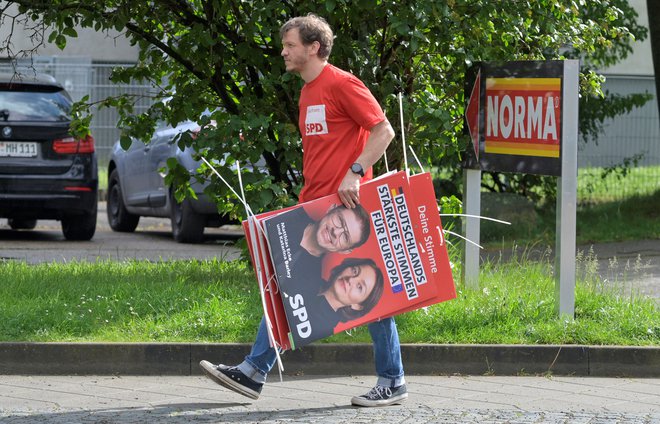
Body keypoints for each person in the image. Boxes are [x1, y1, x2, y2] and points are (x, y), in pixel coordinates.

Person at [200, 13, 406, 408]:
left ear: (314, 47)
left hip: (344, 215)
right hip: (313, 211)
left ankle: (392, 380)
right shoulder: (308, 91)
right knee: (286, 285)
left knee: (372, 298)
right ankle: (254, 371)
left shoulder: (342, 84)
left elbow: (384, 130)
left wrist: (356, 173)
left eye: (290, 45)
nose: (284, 51)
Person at [281, 257, 385, 347]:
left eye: (360, 287)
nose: (351, 280)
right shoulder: (312, 272)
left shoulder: (322, 327)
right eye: (354, 271)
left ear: (358, 306)